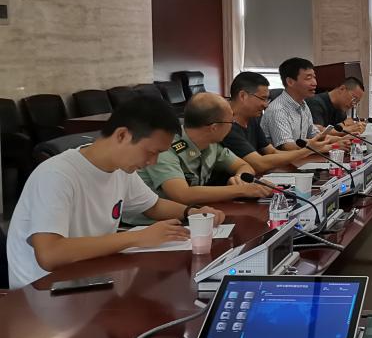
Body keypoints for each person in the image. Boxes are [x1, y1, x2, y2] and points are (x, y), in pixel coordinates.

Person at [5, 97, 225, 288]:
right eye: (151, 152)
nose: (153, 162)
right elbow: (50, 254)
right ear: (122, 135)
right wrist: (137, 238)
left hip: (90, 275)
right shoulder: (57, 175)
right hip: (44, 290)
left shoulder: (121, 169)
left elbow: (154, 205)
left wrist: (192, 212)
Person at [132, 92, 273, 216]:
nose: (233, 125)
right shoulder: (165, 147)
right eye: (231, 121)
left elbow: (244, 166)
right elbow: (182, 194)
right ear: (214, 127)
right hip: (148, 225)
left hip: (192, 216)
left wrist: (239, 178)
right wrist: (240, 190)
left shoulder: (211, 144)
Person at [224, 71, 335, 174]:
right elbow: (259, 163)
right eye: (262, 98)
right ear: (243, 96)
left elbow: (272, 152)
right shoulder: (225, 125)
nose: (266, 105)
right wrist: (307, 150)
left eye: (267, 99)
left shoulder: (252, 118)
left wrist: (311, 149)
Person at [260, 57, 351, 151]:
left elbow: (315, 135)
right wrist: (332, 146)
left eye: (314, 77)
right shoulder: (278, 110)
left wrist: (341, 139)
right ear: (290, 82)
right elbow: (287, 146)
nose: (314, 83)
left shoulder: (303, 105)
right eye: (308, 78)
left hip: (303, 158)